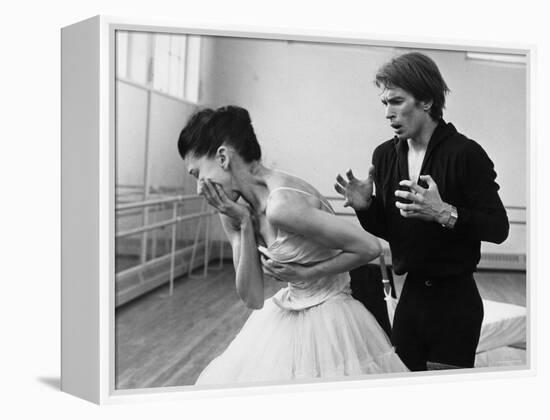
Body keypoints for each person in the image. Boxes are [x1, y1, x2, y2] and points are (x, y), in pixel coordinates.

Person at [177, 105, 409, 385]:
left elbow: (370, 247)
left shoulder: (282, 205)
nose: (199, 187)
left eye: (197, 174)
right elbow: (251, 297)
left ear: (223, 157)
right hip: (288, 310)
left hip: (333, 312)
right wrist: (245, 224)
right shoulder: (233, 210)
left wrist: (305, 273)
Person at [335, 52, 510, 371]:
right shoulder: (385, 155)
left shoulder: (466, 154)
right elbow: (395, 229)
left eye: (397, 102)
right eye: (385, 103)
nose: (388, 114)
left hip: (455, 301)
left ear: (427, 101)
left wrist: (445, 212)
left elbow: (499, 229)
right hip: (411, 299)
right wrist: (367, 208)